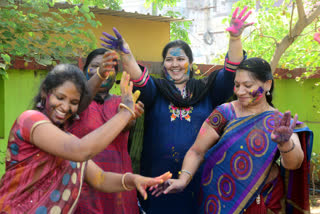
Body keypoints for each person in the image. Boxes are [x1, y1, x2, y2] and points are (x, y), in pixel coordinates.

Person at [100, 6, 253, 214]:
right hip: (157, 181)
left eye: (180, 59)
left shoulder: (208, 91)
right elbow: (138, 78)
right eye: (169, 60)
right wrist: (126, 54)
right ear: (163, 66)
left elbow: (230, 73)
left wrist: (235, 39)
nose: (175, 64)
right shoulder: (156, 91)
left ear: (190, 64)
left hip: (200, 178)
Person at [0, 60, 172, 213]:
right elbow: (81, 151)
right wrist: (125, 112)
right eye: (60, 97)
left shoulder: (65, 139)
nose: (65, 107)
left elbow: (100, 179)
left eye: (74, 103)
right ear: (46, 92)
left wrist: (133, 179)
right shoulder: (30, 120)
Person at [154, 57, 313, 214]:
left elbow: (295, 164)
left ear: (267, 84)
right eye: (237, 85)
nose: (239, 91)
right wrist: (183, 180)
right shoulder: (224, 113)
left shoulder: (280, 123)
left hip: (263, 199)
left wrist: (285, 144)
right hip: (218, 200)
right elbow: (197, 151)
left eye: (247, 85)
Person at [67, 48, 144, 213]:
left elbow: (127, 128)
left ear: (116, 75)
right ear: (84, 70)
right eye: (96, 66)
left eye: (110, 68)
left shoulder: (123, 102)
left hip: (119, 186)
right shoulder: (73, 102)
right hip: (83, 186)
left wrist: (129, 117)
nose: (103, 70)